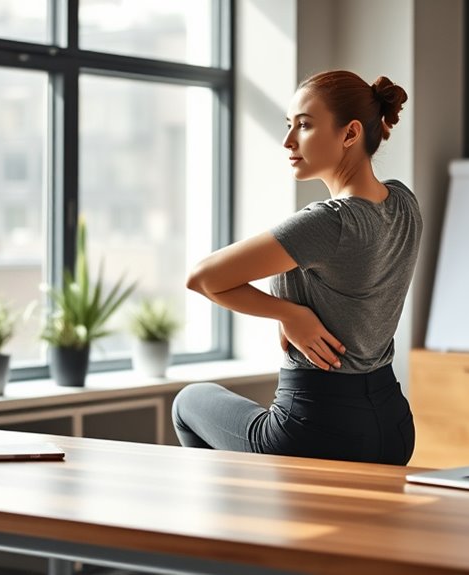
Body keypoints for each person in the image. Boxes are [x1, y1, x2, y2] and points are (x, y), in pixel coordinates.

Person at [173, 70, 421, 465]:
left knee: (188, 402)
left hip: (316, 427)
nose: (288, 140)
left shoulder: (330, 221)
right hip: (392, 426)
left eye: (304, 125)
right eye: (289, 125)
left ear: (350, 134)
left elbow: (202, 278)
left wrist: (290, 314)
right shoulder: (405, 203)